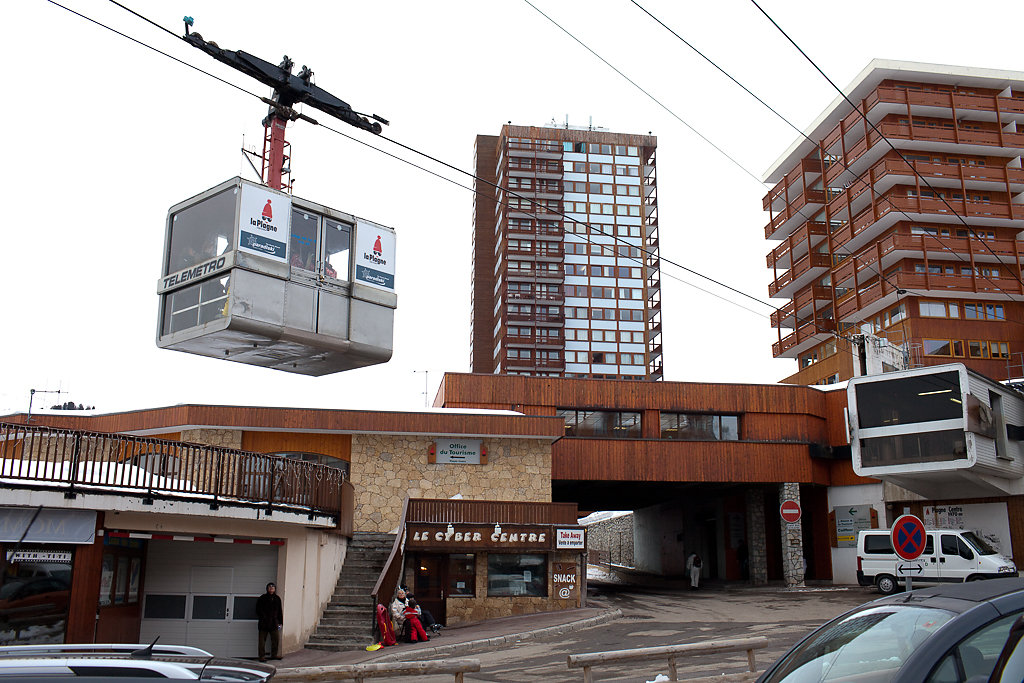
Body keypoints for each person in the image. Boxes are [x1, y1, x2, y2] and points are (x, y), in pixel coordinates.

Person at [256, 582, 284, 662]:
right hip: (263, 623)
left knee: (275, 640)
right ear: (267, 589)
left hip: (274, 623)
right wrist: (263, 617)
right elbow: (258, 610)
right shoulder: (262, 598)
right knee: (262, 641)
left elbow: (279, 611)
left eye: (273, 587)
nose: (271, 589)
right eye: (269, 587)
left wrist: (280, 622)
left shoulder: (277, 599)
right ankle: (261, 656)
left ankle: (274, 655)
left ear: (275, 589)